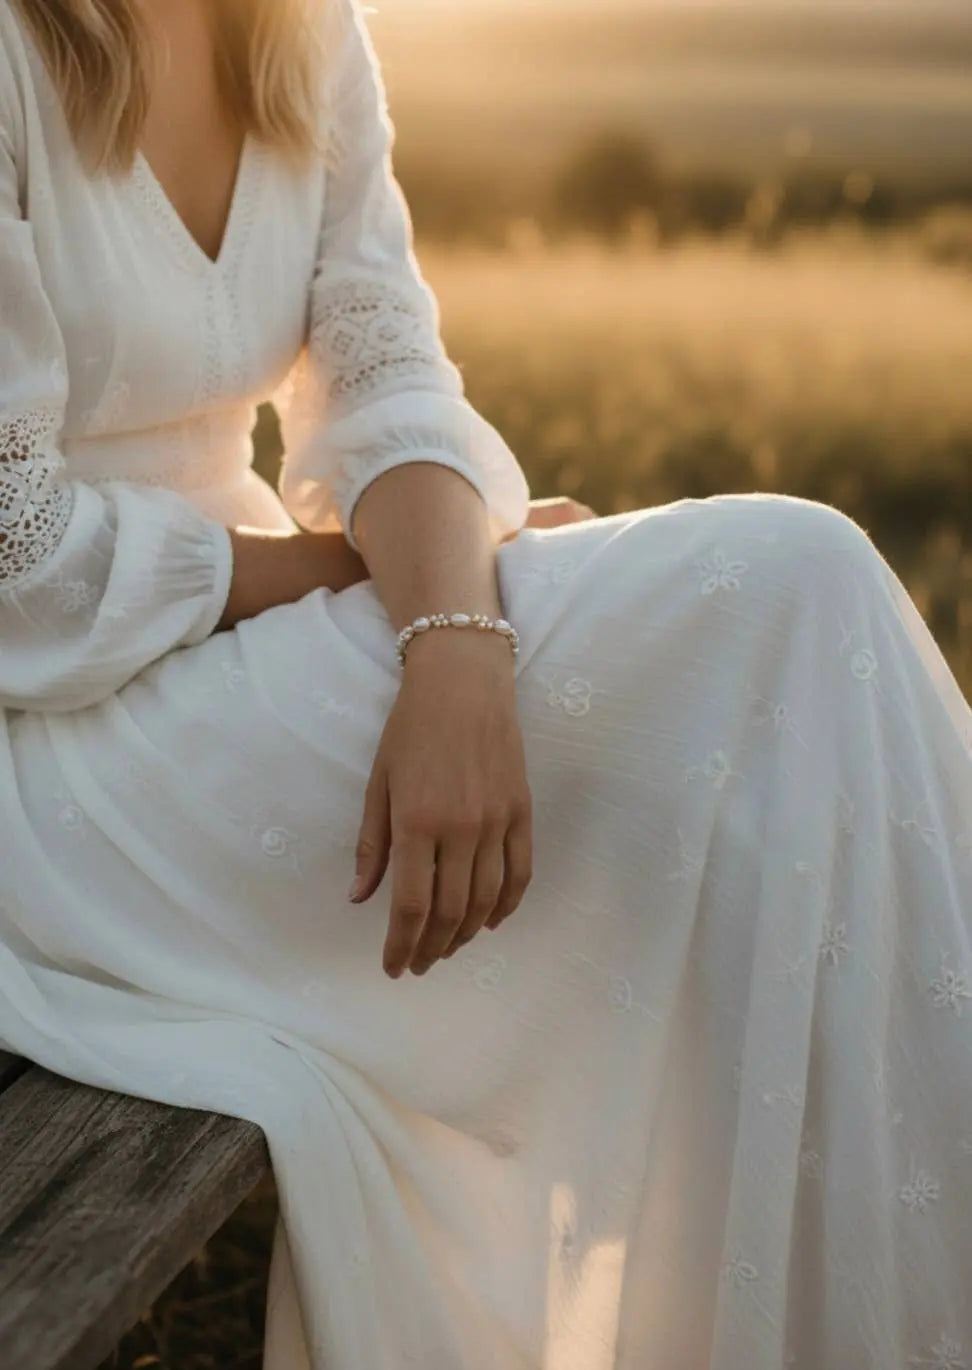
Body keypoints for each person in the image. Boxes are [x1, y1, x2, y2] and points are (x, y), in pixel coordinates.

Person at [1, 0, 971, 1366]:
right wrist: (375, 586)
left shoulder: (296, 29)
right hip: (61, 743)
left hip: (240, 651)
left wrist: (456, 630)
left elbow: (388, 370)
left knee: (800, 622)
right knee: (786, 592)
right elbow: (16, 554)